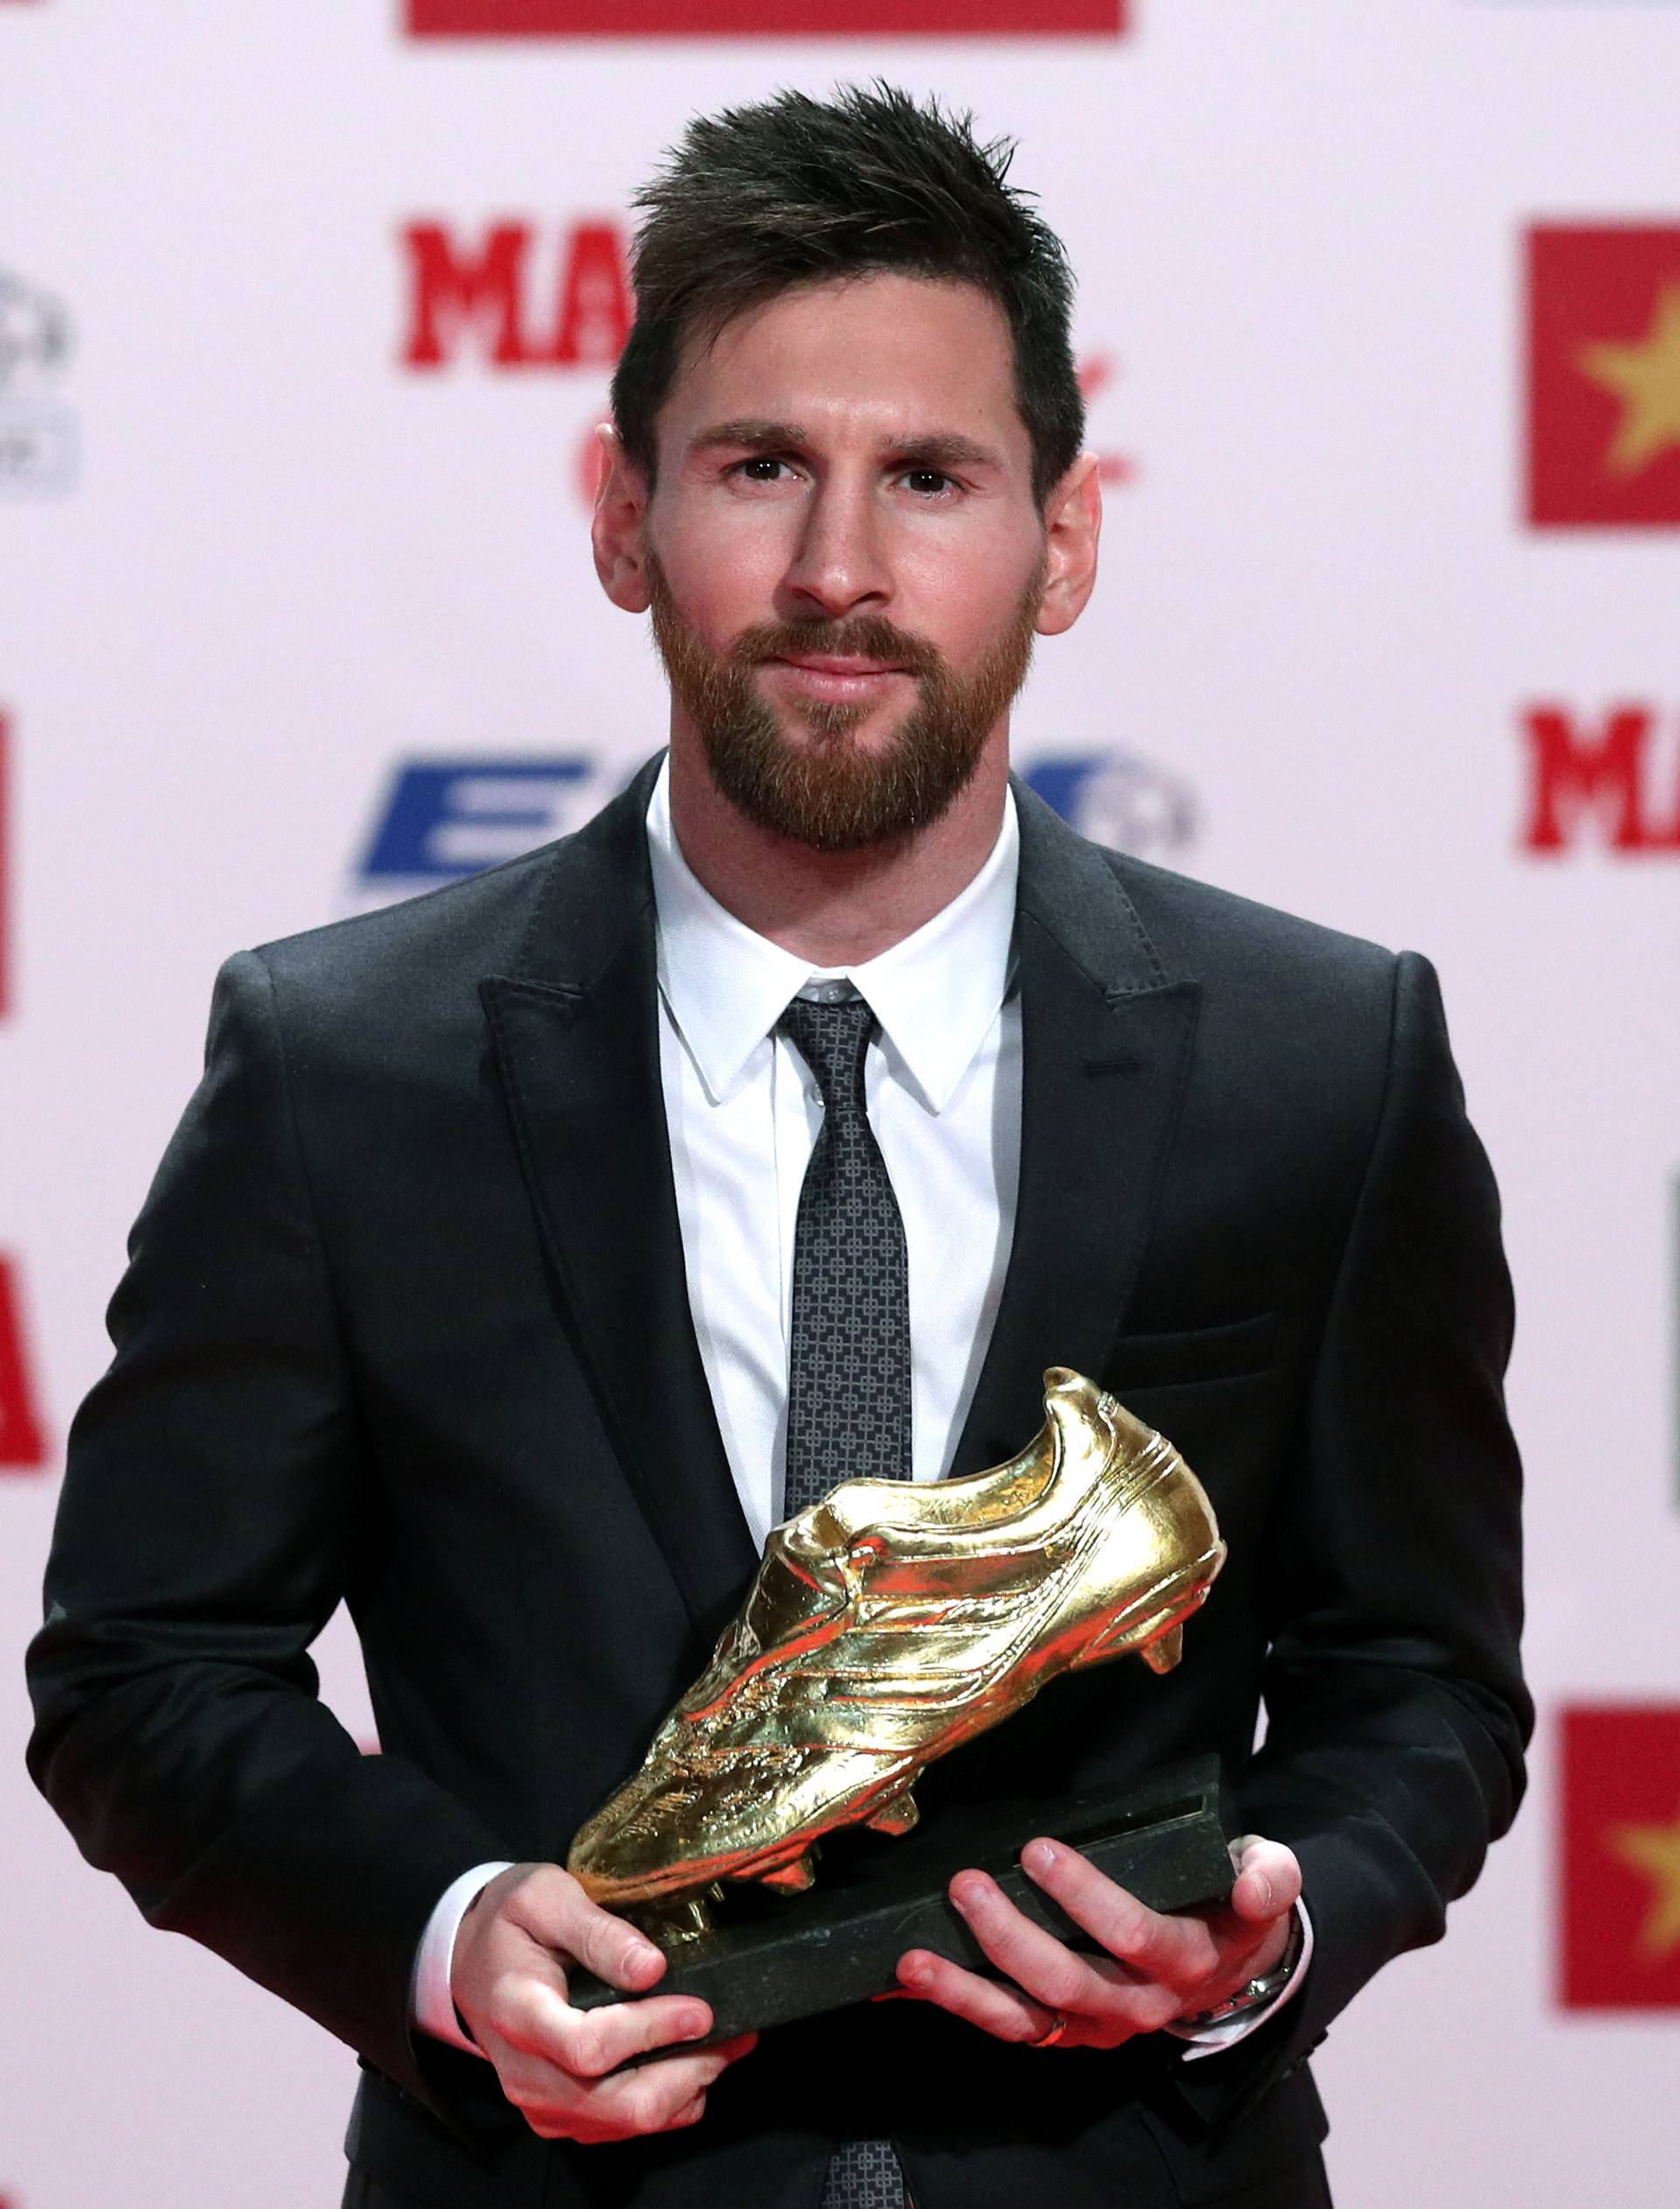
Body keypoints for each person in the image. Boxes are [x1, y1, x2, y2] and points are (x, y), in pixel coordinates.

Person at [25, 84, 1529, 2209]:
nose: (842, 570)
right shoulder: (345, 1064)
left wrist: (1265, 1928)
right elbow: (143, 1670)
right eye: (760, 468)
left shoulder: (1323, 1060)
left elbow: (1424, 1683)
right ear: (628, 518)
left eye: (931, 475)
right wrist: (448, 1934)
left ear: (1063, 540)